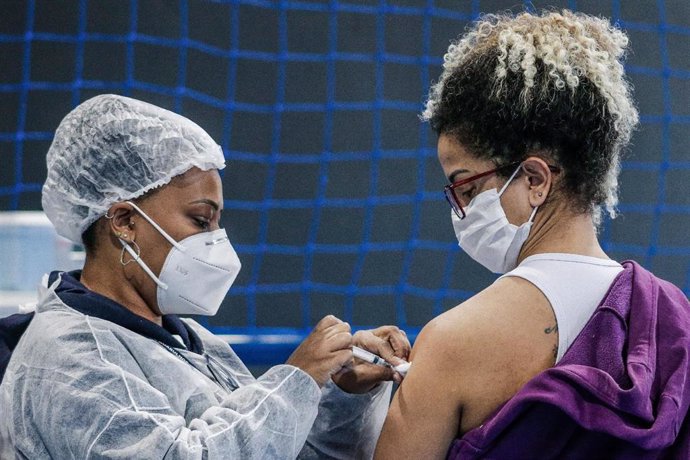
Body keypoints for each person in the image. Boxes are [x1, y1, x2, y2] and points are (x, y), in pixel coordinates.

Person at [0, 94, 410, 459]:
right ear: (124, 221)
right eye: (200, 220)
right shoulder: (67, 358)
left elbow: (289, 450)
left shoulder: (194, 343)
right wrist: (297, 379)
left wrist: (342, 392)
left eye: (217, 222)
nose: (216, 242)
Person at [375, 10, 690, 459]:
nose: (459, 209)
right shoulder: (676, 326)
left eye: (464, 185)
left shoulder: (452, 343)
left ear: (535, 179)